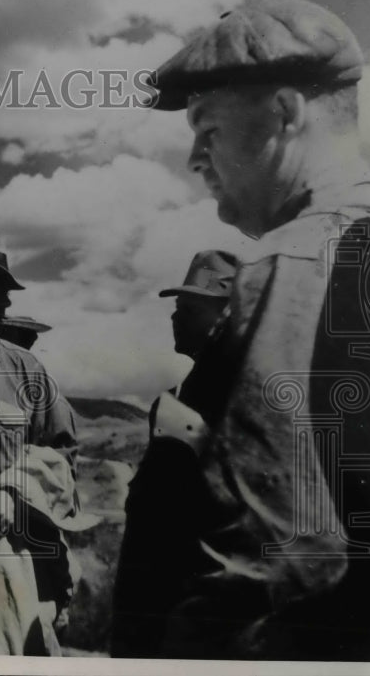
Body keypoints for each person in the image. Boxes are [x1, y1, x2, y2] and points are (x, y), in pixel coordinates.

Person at [146, 0, 370, 660]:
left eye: (208, 128)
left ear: (286, 113)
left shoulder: (291, 261)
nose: (195, 158)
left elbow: (281, 556)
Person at [0, 224, 91, 655]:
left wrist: (14, 491)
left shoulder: (25, 371)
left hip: (0, 574)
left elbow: (62, 458)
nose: (8, 300)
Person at [110, 249, 238, 657]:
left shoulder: (235, 390)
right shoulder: (183, 393)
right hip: (154, 597)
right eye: (178, 307)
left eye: (190, 308)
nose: (175, 316)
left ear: (227, 315)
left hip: (189, 604)